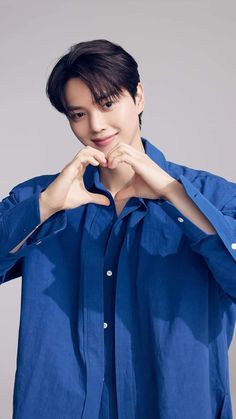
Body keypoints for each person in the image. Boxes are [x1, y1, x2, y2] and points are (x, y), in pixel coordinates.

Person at [0, 38, 235, 419]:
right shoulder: (38, 197)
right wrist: (45, 207)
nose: (95, 125)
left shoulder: (213, 198)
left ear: (138, 96)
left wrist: (174, 196)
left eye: (108, 104)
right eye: (78, 114)